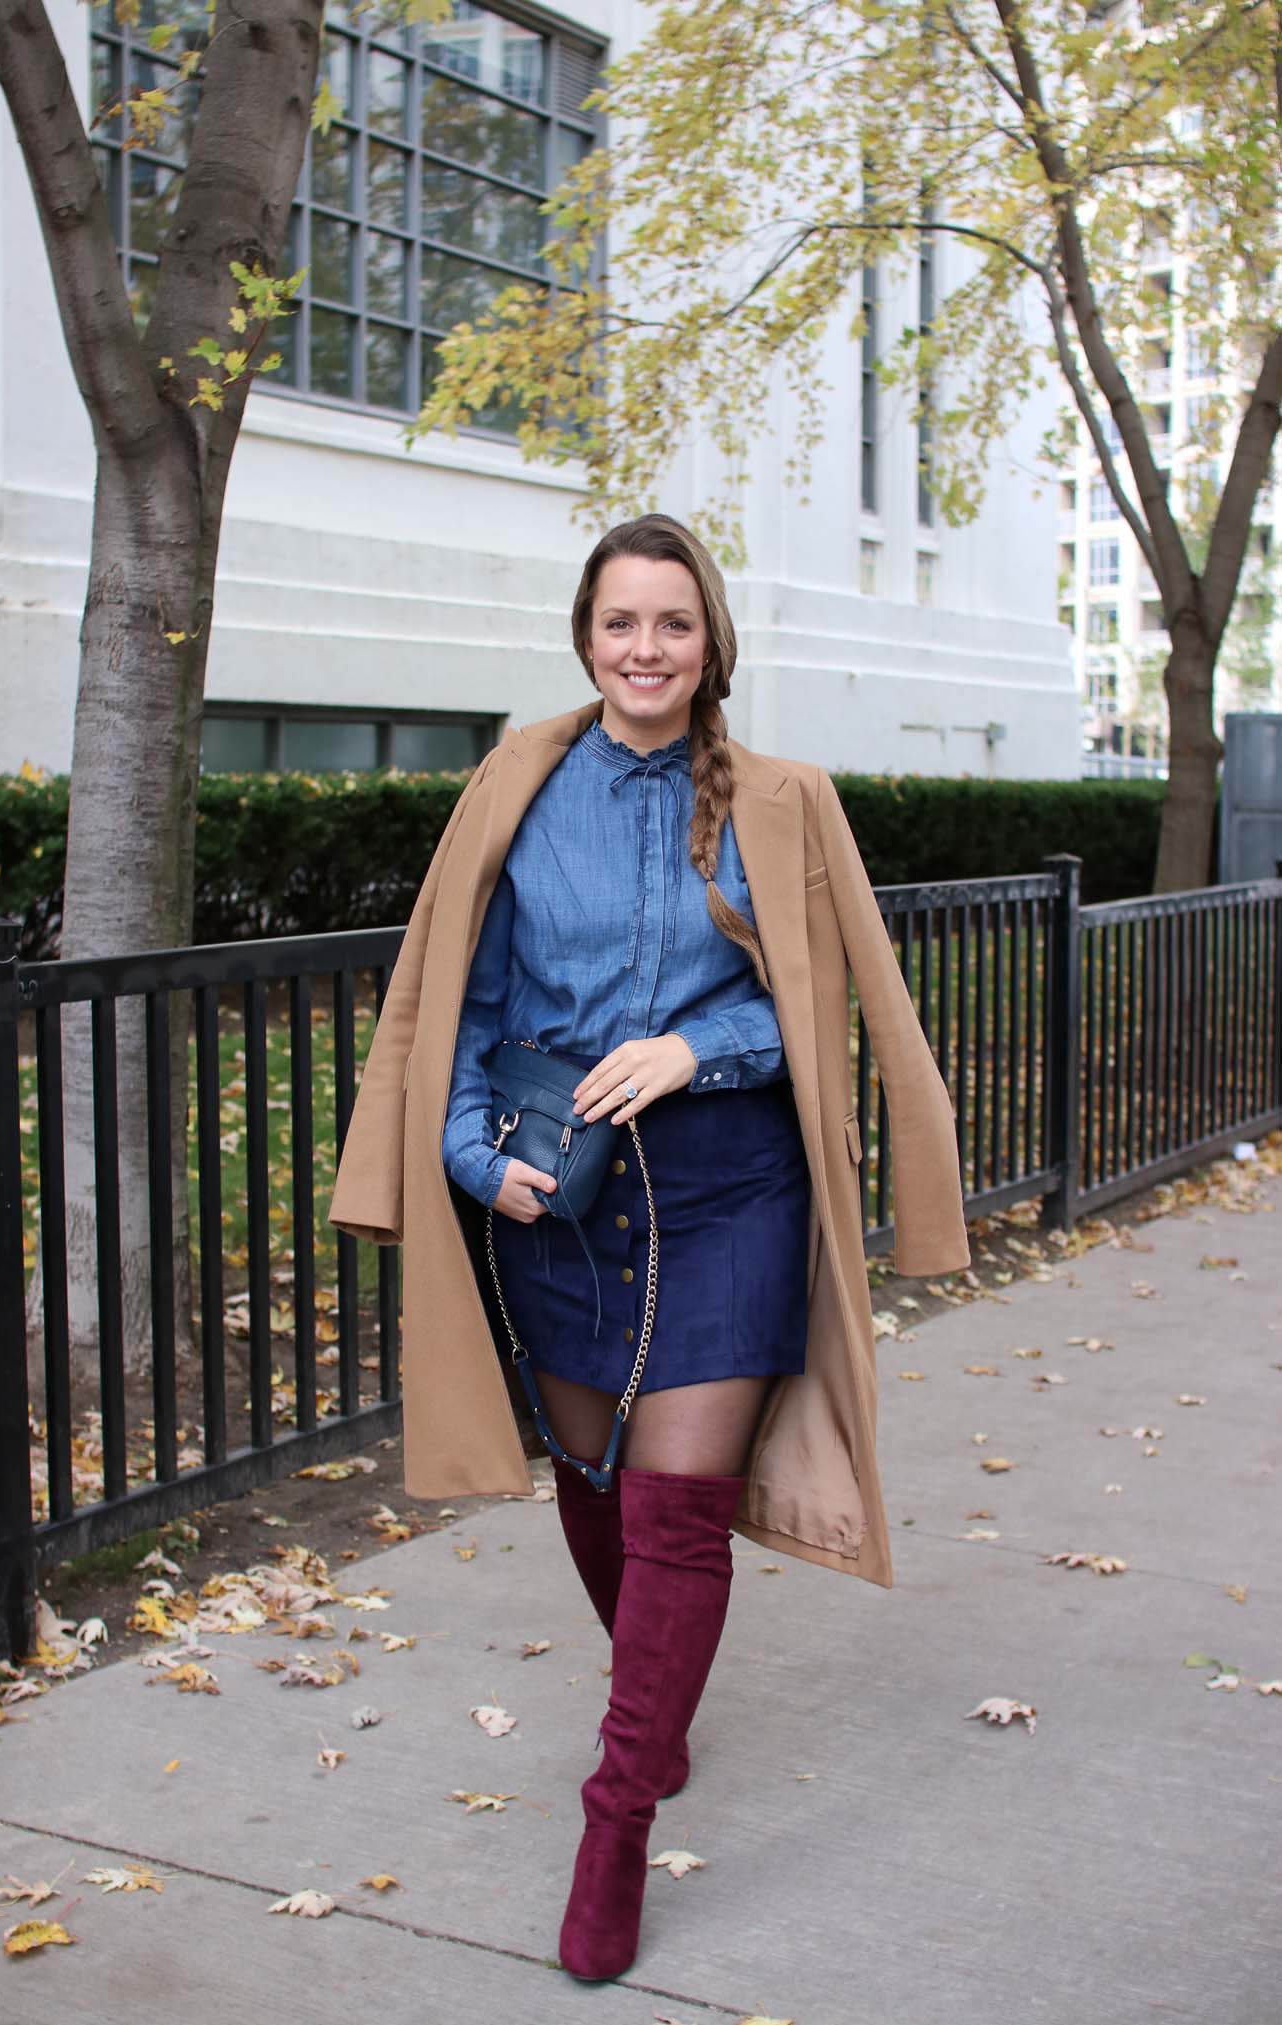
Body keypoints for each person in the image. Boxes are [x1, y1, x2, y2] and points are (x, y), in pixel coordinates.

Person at [330, 512, 969, 1984]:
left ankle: (613, 1819)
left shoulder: (785, 801)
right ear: (585, 636)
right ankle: (655, 1704)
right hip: (557, 1193)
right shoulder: (515, 784)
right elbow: (464, 1009)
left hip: (731, 1185)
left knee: (678, 1508)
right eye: (620, 622)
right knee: (600, 1484)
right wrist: (474, 1157)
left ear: (709, 641)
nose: (644, 649)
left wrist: (697, 1043)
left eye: (671, 624)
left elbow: (810, 1006)